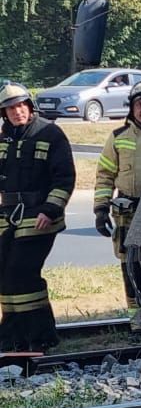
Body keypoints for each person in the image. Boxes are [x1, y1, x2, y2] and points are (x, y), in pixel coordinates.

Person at [0, 81, 75, 352]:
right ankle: (13, 335)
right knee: (5, 274)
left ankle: (42, 335)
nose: (16, 112)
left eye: (20, 106)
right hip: (7, 215)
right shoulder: (4, 138)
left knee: (23, 272)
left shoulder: (51, 134)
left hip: (40, 216)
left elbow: (65, 178)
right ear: (4, 113)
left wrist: (50, 209)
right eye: (10, 109)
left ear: (30, 107)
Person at [94, 79, 141, 312]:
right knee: (132, 269)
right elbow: (105, 176)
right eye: (140, 104)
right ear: (132, 108)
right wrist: (100, 210)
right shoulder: (118, 136)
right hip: (128, 215)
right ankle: (137, 320)